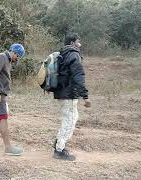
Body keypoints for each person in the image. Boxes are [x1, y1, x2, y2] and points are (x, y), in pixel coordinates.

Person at [52, 32, 91, 161]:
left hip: (63, 93)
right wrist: (85, 96)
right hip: (69, 93)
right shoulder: (74, 55)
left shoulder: (63, 54)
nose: (80, 44)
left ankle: (58, 142)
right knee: (70, 120)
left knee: (68, 118)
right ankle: (60, 150)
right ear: (73, 43)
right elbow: (78, 76)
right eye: (78, 42)